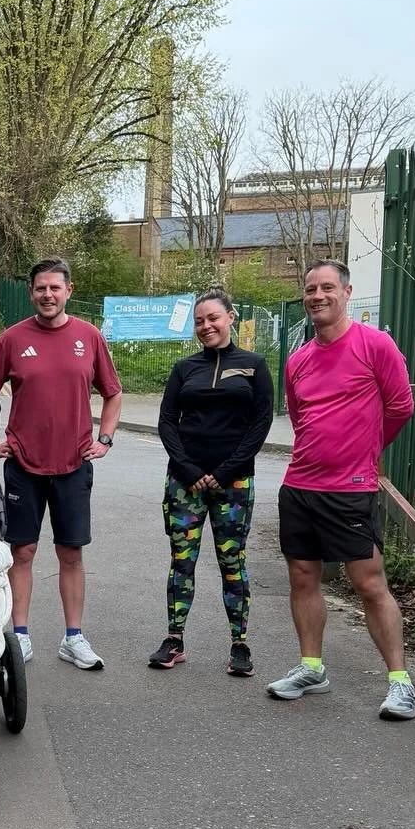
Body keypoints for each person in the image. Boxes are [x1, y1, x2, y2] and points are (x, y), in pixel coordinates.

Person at [267, 259, 415, 720]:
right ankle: (312, 668)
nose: (317, 296)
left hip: (350, 488)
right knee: (302, 577)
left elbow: (400, 407)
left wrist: (366, 454)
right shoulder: (298, 360)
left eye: (327, 287)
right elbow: (299, 416)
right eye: (310, 289)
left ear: (346, 292)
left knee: (369, 583)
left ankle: (400, 683)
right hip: (299, 485)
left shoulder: (376, 346)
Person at [0, 258, 121, 670]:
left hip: (74, 464)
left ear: (68, 290)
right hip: (23, 465)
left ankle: (73, 638)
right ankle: (20, 636)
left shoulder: (89, 337)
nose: (48, 295)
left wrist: (105, 439)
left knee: (71, 554)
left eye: (55, 288)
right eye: (40, 288)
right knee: (22, 552)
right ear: (32, 293)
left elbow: (113, 393)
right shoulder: (11, 339)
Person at [150, 287, 273, 677]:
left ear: (231, 317)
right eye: (199, 320)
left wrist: (223, 473)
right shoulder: (185, 368)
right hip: (184, 484)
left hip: (233, 484)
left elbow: (260, 424)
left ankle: (240, 644)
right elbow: (167, 422)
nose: (206, 326)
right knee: (181, 563)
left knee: (232, 563)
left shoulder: (254, 365)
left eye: (213, 318)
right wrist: (187, 470)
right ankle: (174, 639)